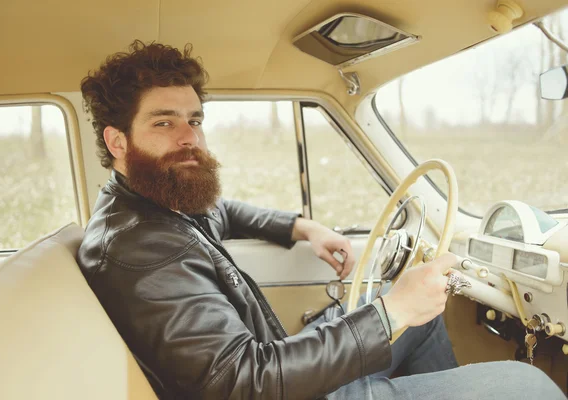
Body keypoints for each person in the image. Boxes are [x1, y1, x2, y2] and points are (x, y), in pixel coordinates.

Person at [76, 40, 566, 400]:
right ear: (118, 141)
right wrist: (392, 311)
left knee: (426, 314)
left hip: (286, 371)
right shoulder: (142, 248)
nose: (190, 138)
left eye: (196, 120)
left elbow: (222, 212)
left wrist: (304, 228)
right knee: (526, 384)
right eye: (164, 122)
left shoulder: (153, 203)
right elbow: (243, 382)